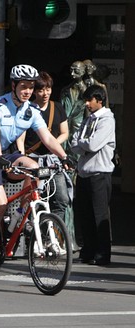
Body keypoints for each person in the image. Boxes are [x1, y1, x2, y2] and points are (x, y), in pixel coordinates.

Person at [0, 64, 73, 276]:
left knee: (35, 166)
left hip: (8, 155)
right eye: (23, 86)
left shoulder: (31, 110)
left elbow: (48, 137)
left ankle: (23, 216)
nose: (27, 91)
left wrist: (64, 157)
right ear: (14, 85)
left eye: (31, 87)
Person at [16, 71, 78, 250]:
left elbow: (65, 132)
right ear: (35, 91)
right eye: (42, 90)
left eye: (48, 89)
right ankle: (33, 238)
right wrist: (22, 157)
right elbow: (21, 137)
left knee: (60, 199)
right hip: (33, 161)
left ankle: (53, 237)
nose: (45, 93)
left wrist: (52, 145)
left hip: (52, 161)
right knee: (32, 200)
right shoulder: (27, 109)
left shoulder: (57, 107)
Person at [71, 85, 115, 266]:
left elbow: (93, 145)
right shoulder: (88, 119)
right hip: (84, 173)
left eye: (90, 100)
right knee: (85, 214)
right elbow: (74, 143)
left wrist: (82, 143)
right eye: (85, 100)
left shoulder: (107, 120)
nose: (87, 104)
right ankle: (88, 250)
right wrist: (82, 143)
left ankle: (102, 253)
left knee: (99, 215)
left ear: (100, 100)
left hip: (99, 173)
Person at [60, 60, 87, 164]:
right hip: (65, 126)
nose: (72, 74)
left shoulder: (87, 91)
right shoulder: (65, 90)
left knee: (77, 156)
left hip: (79, 126)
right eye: (71, 71)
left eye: (76, 71)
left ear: (82, 72)